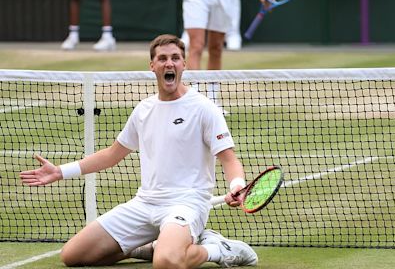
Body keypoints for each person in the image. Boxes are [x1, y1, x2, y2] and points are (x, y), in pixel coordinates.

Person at [20, 34, 258, 268]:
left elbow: (229, 159)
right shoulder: (144, 109)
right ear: (152, 66)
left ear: (184, 64)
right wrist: (60, 171)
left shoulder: (205, 108)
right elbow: (112, 155)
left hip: (186, 205)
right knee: (73, 256)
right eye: (163, 58)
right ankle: (150, 249)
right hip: (144, 204)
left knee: (167, 263)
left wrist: (236, 185)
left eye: (175, 57)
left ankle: (217, 249)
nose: (169, 63)